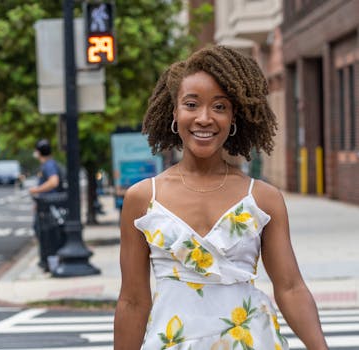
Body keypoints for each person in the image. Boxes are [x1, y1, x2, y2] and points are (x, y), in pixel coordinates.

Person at [114, 45, 328, 350]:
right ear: (174, 112)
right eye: (191, 104)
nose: (204, 118)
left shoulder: (263, 199)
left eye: (219, 107)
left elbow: (291, 287)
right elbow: (132, 301)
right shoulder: (143, 198)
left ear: (233, 117)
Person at [29, 139, 64, 271]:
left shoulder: (48, 165)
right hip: (48, 206)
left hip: (49, 208)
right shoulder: (50, 164)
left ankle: (50, 264)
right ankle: (49, 263)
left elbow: (54, 182)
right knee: (46, 235)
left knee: (47, 236)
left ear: (39, 152)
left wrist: (36, 190)